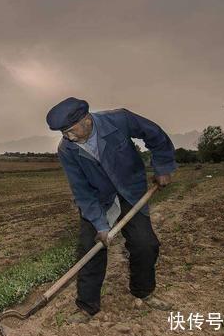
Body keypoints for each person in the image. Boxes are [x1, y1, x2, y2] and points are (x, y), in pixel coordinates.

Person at [46, 97, 176, 324]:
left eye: (70, 130)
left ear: (86, 119)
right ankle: (87, 306)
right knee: (91, 248)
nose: (68, 137)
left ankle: (143, 292)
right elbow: (82, 192)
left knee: (145, 245)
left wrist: (163, 166)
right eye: (63, 132)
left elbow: (155, 135)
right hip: (99, 199)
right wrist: (101, 225)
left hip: (130, 191)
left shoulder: (120, 119)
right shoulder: (67, 149)